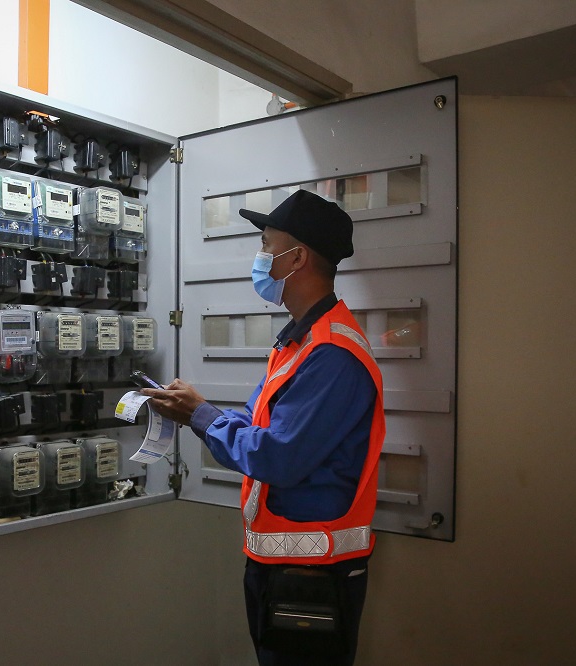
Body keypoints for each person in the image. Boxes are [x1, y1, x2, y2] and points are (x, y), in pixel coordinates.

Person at [141, 189, 385, 665]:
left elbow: (279, 456)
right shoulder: (298, 342)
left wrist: (200, 415)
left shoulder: (332, 354)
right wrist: (197, 410)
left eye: (266, 244)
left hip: (314, 574)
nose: (260, 257)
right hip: (281, 566)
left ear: (297, 258)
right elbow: (260, 428)